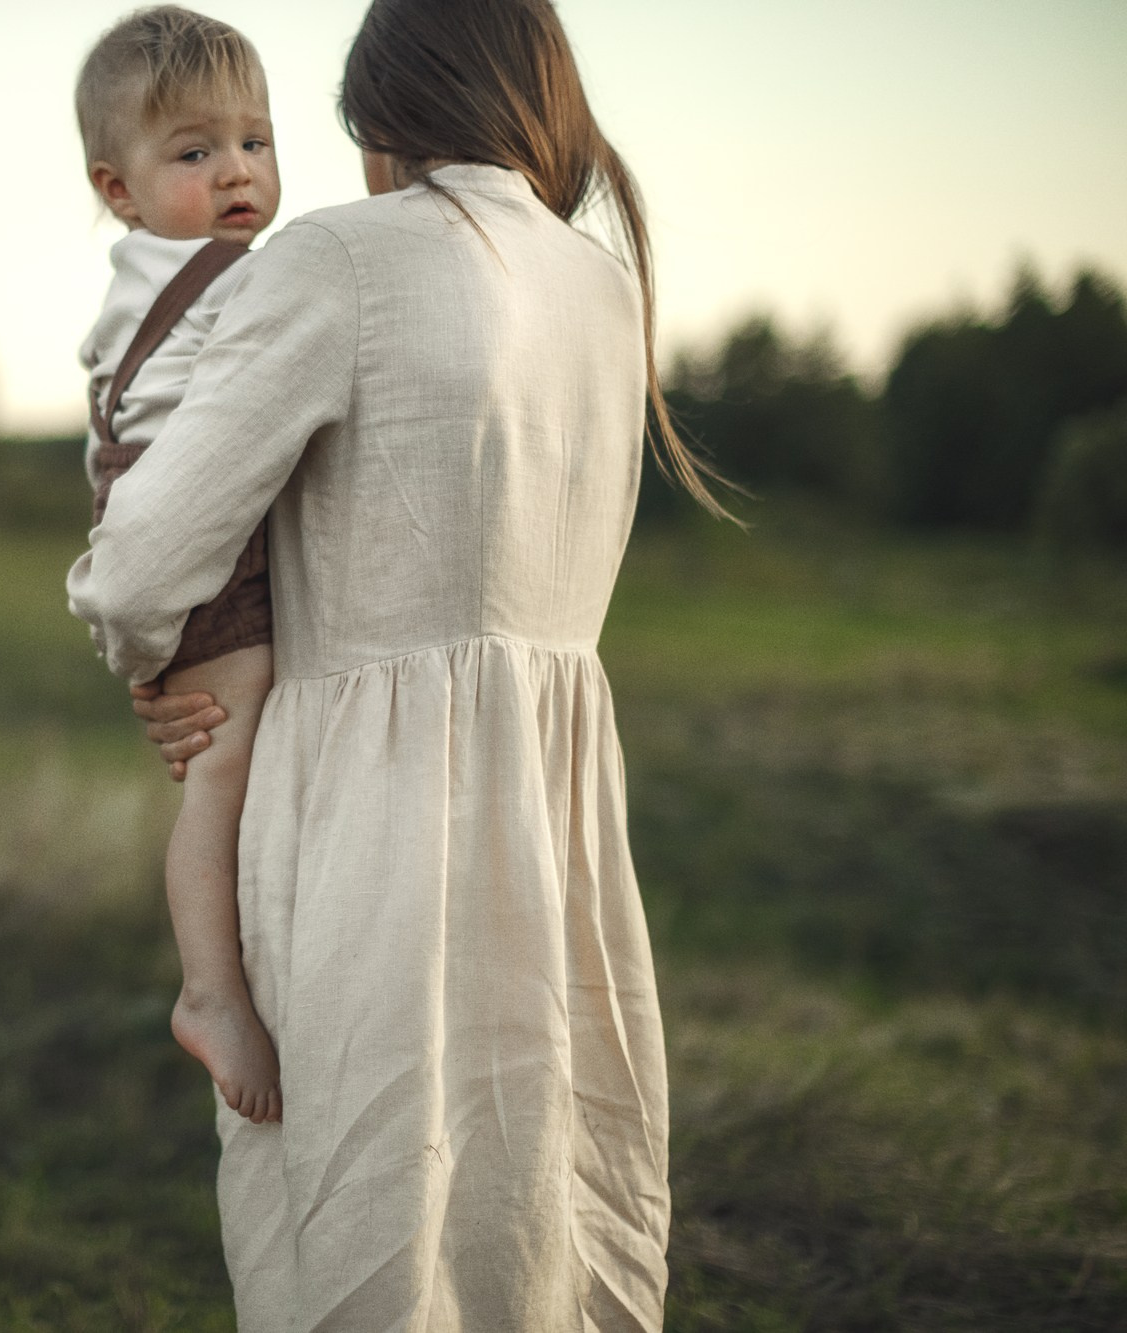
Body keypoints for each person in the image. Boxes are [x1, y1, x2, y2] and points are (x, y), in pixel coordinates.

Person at [71, 0, 728, 1324]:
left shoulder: (335, 260)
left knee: (367, 1209)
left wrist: (153, 663)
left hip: (359, 817)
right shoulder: (603, 286)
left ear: (379, 118)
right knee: (536, 1189)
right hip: (553, 816)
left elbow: (141, 566)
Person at [71, 7, 283, 1126]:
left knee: (227, 756)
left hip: (157, 517)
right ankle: (209, 989)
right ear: (119, 189)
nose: (237, 171)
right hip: (196, 544)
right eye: (195, 153)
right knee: (223, 758)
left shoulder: (144, 275)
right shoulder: (234, 281)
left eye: (254, 140)